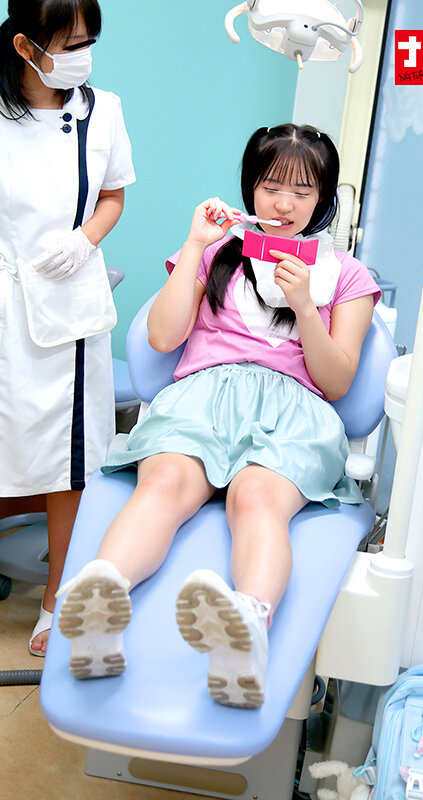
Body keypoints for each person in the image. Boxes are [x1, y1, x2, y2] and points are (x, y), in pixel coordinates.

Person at [56, 124, 380, 708]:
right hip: (202, 397)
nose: (284, 204)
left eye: (302, 192)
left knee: (256, 498)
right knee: (164, 483)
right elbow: (162, 337)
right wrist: (195, 245)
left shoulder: (348, 276)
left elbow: (336, 381)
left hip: (295, 410)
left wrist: (306, 305)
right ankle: (100, 606)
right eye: (271, 187)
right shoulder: (216, 252)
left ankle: (246, 632)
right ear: (250, 187)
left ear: (324, 198)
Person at [0, 0, 135, 656]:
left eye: (89, 42)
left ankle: (58, 597)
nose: (83, 56)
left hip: (68, 306)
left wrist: (85, 240)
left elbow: (113, 195)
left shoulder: (102, 110)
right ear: (26, 46)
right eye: (70, 44)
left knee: (69, 459)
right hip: (4, 295)